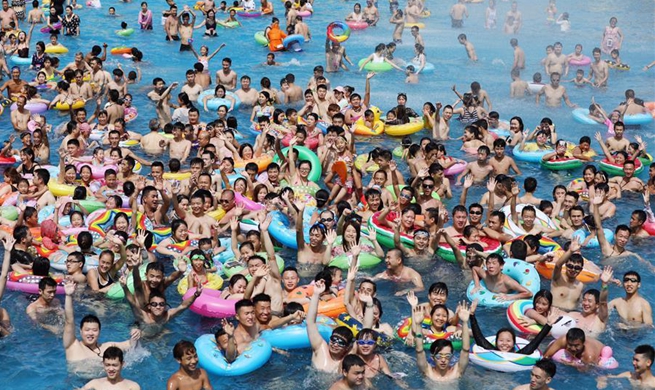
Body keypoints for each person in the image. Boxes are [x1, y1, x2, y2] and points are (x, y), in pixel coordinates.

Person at [63, 279, 141, 362]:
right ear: (81, 331)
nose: (90, 333)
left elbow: (130, 344)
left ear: (99, 332)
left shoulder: (107, 348)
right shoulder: (73, 345)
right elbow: (69, 321)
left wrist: (135, 333)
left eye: (94, 330)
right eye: (87, 330)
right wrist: (68, 296)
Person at [413, 301, 471, 381]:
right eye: (439, 356)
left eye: (447, 356)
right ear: (432, 357)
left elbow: (466, 349)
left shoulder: (457, 372)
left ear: (452, 357)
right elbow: (419, 350)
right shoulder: (428, 373)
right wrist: (418, 324)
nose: (443, 360)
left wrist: (464, 322)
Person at [307, 279, 355, 373]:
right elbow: (310, 322)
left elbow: (364, 336)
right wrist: (316, 294)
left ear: (347, 347)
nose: (335, 344)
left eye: (341, 342)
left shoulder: (347, 359)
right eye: (334, 339)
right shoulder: (320, 348)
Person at [543, 327, 609, 369]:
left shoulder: (589, 356)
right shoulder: (563, 340)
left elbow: (587, 371)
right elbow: (546, 356)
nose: (573, 349)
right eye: (570, 345)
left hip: (601, 351)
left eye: (576, 345)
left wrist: (574, 365)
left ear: (583, 343)